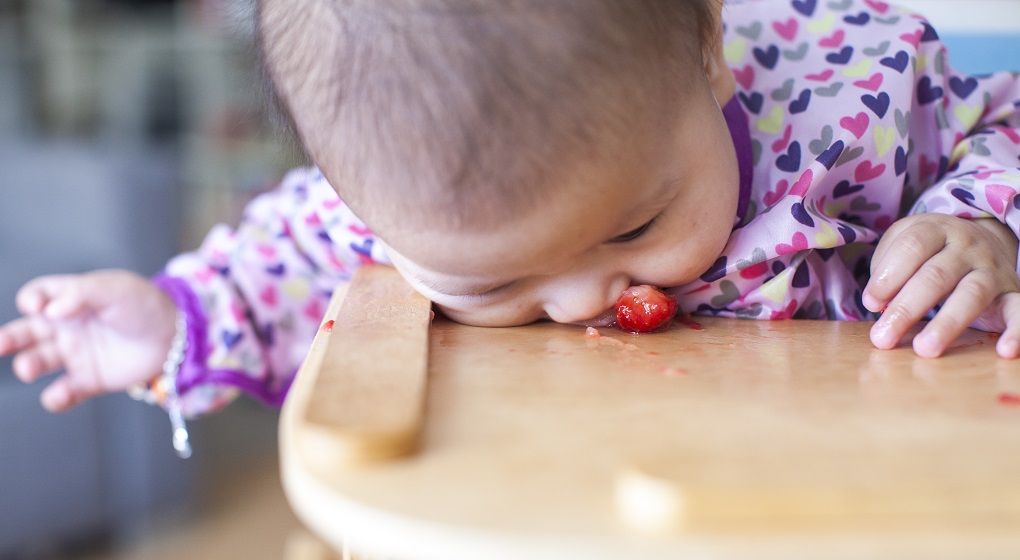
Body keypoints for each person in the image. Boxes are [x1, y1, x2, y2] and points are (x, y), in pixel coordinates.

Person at [2, 0, 1019, 425]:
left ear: (705, 47)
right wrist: (170, 318)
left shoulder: (857, 91)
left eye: (633, 226)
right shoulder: (396, 203)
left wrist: (980, 225)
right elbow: (276, 268)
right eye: (491, 283)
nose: (583, 298)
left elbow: (1001, 124)